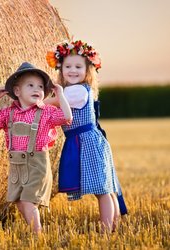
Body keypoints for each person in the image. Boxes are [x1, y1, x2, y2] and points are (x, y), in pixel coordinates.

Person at [46, 40, 127, 232]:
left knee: (102, 190)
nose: (72, 70)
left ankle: (107, 229)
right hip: (89, 140)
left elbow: (49, 103)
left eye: (78, 66)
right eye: (67, 66)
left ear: (87, 70)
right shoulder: (77, 89)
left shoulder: (76, 91)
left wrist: (31, 98)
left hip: (87, 142)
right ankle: (113, 227)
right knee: (106, 189)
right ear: (61, 68)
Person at [0, 62, 72, 233]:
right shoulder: (9, 113)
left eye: (40, 86)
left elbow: (67, 117)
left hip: (37, 164)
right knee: (18, 200)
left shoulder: (46, 112)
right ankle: (34, 228)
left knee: (27, 201)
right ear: (17, 92)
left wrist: (60, 94)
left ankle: (36, 235)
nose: (36, 89)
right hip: (16, 165)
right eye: (30, 85)